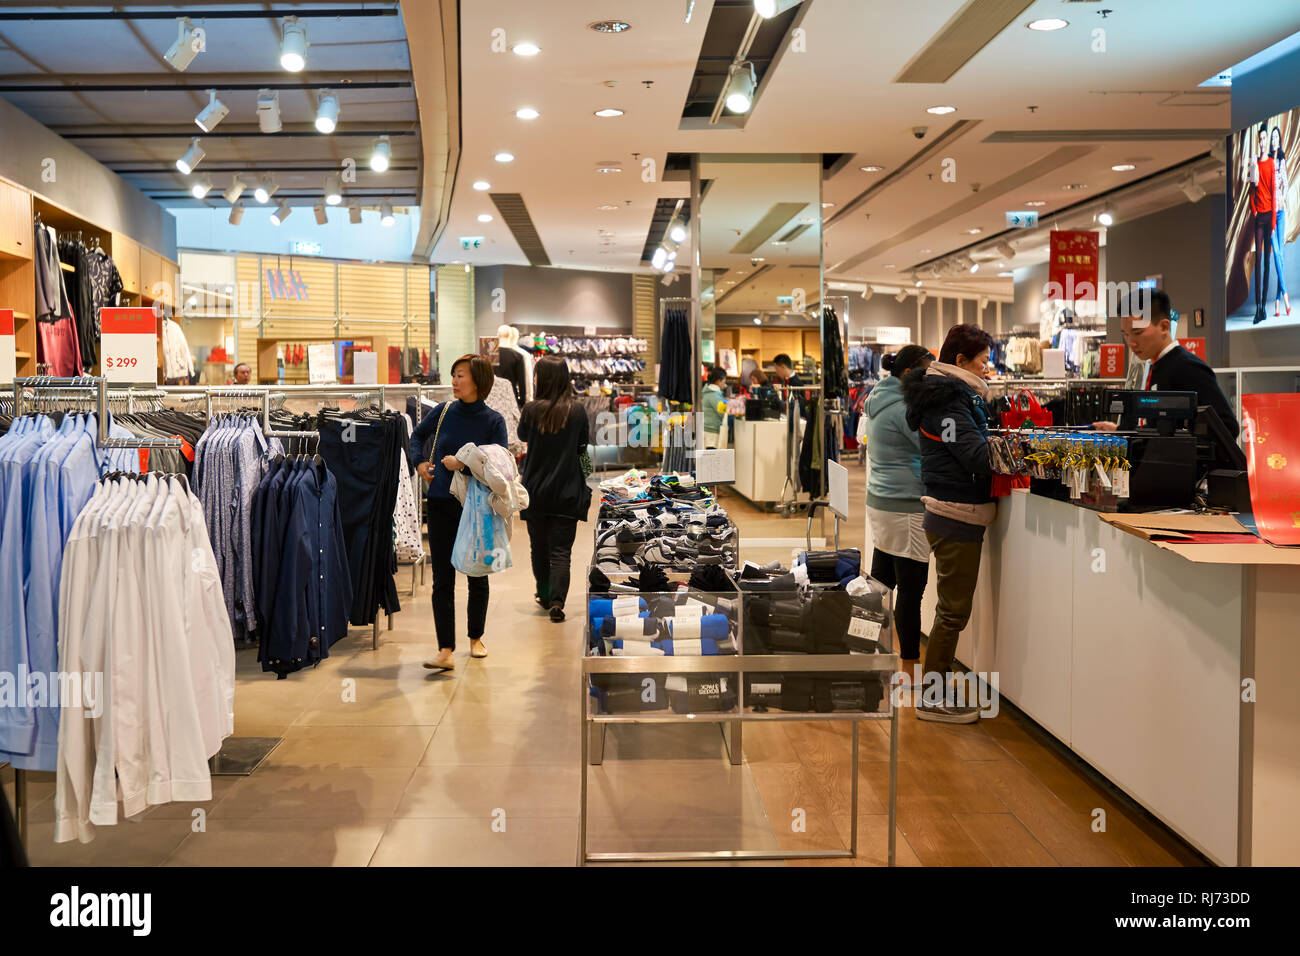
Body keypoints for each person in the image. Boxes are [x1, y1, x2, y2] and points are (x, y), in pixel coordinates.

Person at [902, 324, 996, 724]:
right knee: (953, 611)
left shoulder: (947, 397)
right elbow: (974, 456)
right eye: (983, 360)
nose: (989, 368)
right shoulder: (948, 403)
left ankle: (935, 689)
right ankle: (932, 697)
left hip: (953, 510)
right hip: (955, 513)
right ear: (960, 361)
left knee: (950, 609)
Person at [410, 354, 507, 670]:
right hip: (440, 503)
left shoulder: (494, 421)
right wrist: (420, 462)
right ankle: (445, 649)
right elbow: (417, 436)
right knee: (442, 578)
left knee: (477, 574)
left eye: (460, 375)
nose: (454, 381)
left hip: (478, 508)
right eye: (453, 375)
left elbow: (501, 466)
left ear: (477, 380)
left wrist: (463, 463)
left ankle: (476, 637)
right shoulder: (443, 412)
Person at [863, 345, 933, 684]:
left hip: (882, 501)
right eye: (926, 372)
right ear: (910, 374)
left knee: (882, 580)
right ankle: (910, 667)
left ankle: (861, 647)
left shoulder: (878, 397)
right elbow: (931, 447)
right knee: (910, 587)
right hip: (905, 504)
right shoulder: (905, 407)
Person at [1091, 289, 1239, 438]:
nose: (1131, 342)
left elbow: (1227, 427)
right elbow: (1157, 425)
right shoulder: (1155, 365)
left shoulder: (1187, 368)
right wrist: (1120, 430)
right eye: (1126, 334)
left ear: (1164, 327)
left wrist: (1182, 446)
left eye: (1137, 333)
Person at [518, 356, 592, 623]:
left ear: (542, 378)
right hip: (567, 490)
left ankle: (545, 593)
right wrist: (587, 473)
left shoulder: (530, 410)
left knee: (538, 547)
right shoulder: (577, 410)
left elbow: (522, 436)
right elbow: (583, 447)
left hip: (535, 491)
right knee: (561, 550)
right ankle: (558, 601)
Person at [1247, 124, 1276, 325]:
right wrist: (1254, 210)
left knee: (1266, 263)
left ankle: (1263, 306)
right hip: (1259, 217)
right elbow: (1250, 191)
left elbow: (1274, 193)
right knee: (1258, 261)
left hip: (1269, 217)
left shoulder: (1272, 163)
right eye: (1261, 139)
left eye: (1265, 138)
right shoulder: (1254, 164)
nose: (1263, 142)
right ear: (1258, 142)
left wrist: (1273, 223)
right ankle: (1258, 307)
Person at [1270, 125, 1292, 318]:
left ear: (1280, 139)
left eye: (1277, 136)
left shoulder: (1282, 160)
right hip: (1269, 214)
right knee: (1276, 253)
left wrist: (1282, 197)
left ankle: (1277, 303)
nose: (1274, 139)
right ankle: (1285, 293)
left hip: (1281, 211)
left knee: (1281, 256)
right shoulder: (1267, 160)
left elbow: (1285, 181)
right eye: (1272, 137)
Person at [701, 365, 727, 448]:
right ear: (719, 381)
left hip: (708, 431)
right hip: (711, 433)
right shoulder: (714, 395)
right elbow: (722, 413)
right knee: (711, 458)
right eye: (724, 381)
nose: (724, 384)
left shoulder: (709, 392)